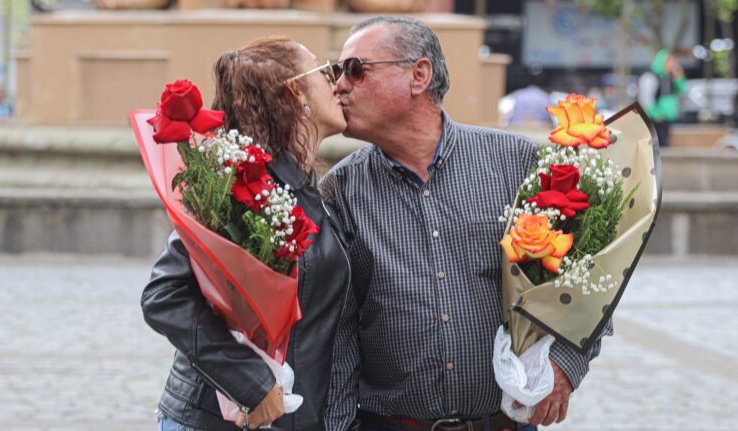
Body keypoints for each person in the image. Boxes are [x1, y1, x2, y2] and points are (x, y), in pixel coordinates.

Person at [321, 16, 610, 431]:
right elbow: (338, 335)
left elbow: (590, 274)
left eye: (355, 69)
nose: (339, 86)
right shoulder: (340, 190)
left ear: (419, 75)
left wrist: (565, 363)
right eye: (336, 72)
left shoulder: (515, 162)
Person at [141, 36, 351, 431]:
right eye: (326, 72)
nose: (338, 82)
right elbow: (164, 295)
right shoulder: (240, 186)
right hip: (219, 420)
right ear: (295, 94)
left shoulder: (309, 189)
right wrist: (252, 383)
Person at [638, 49, 687, 147]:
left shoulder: (669, 77)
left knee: (664, 142)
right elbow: (646, 99)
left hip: (666, 118)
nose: (673, 64)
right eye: (669, 61)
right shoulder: (650, 76)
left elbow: (682, 92)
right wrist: (656, 113)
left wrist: (679, 78)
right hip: (653, 119)